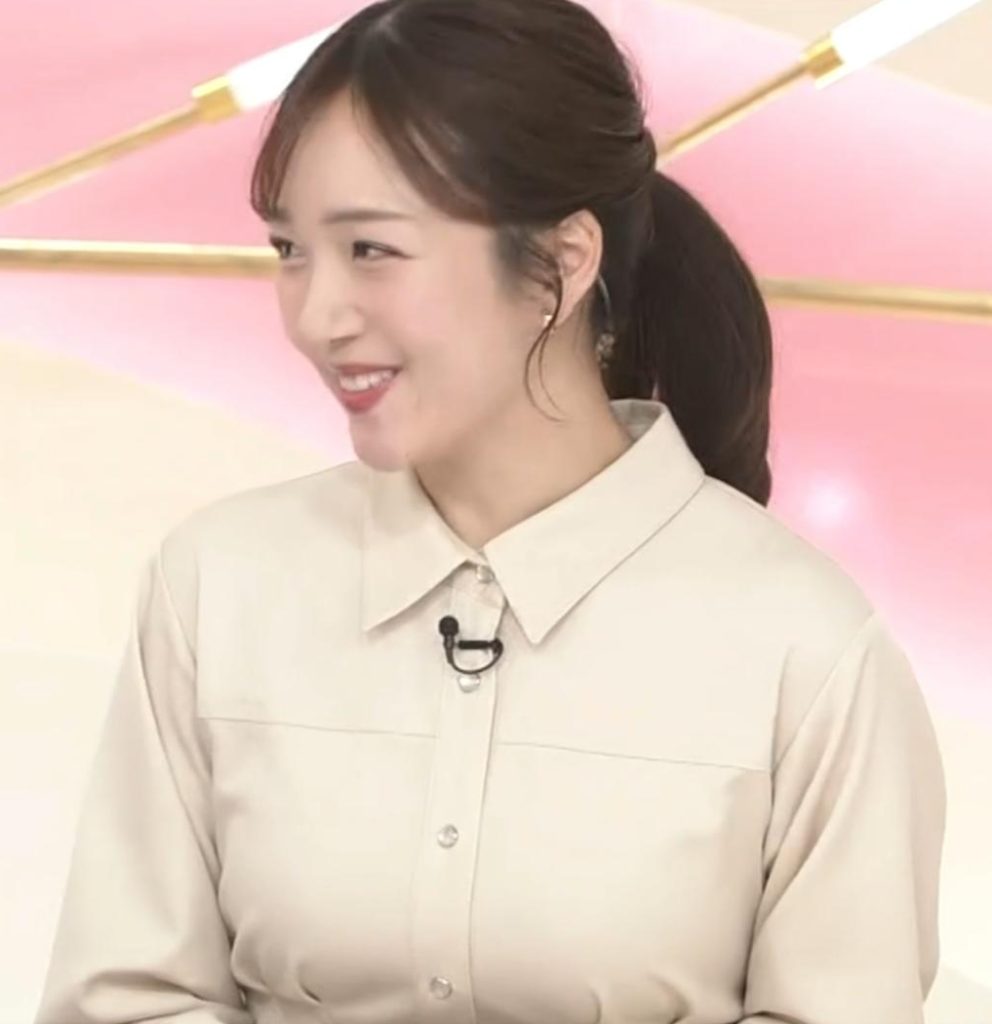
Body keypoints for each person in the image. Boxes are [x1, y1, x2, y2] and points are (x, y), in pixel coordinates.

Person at [33, 0, 946, 1022]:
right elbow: (124, 997)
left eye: (371, 249)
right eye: (290, 249)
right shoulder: (217, 588)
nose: (317, 316)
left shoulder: (804, 649)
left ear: (560, 262)